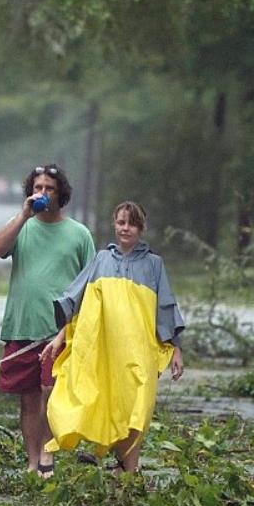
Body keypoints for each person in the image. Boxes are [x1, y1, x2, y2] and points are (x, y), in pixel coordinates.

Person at [42, 201, 185, 473]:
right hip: (103, 349)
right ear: (114, 224)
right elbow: (78, 299)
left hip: (139, 351)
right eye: (121, 222)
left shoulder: (154, 265)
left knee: (136, 407)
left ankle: (128, 470)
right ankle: (60, 452)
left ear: (141, 228)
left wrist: (175, 348)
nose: (125, 228)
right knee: (91, 397)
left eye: (131, 223)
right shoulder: (101, 260)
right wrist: (60, 337)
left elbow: (166, 307)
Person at [0, 163, 95, 476]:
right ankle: (32, 462)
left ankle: (47, 456)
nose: (42, 194)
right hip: (23, 326)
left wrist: (74, 328)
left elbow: (91, 285)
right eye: (37, 188)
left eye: (49, 188)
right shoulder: (21, 226)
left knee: (53, 396)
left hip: (59, 331)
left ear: (60, 193)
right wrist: (23, 216)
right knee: (29, 399)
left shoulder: (79, 234)